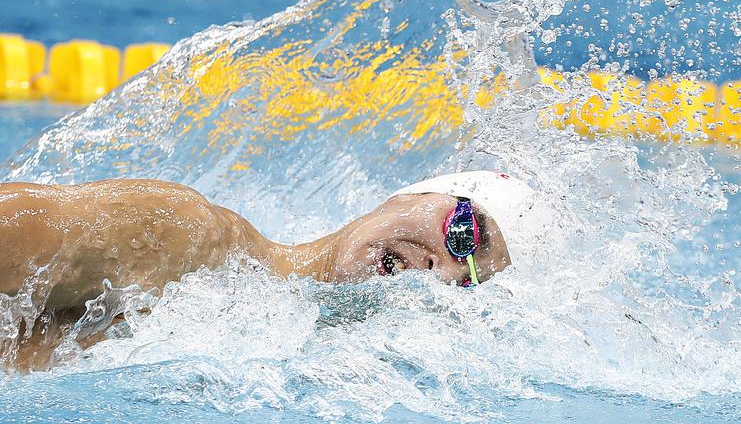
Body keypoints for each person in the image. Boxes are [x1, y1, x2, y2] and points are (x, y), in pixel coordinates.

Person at [0, 171, 535, 370]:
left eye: (466, 280)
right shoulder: (185, 235)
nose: (439, 270)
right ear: (414, 193)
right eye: (463, 233)